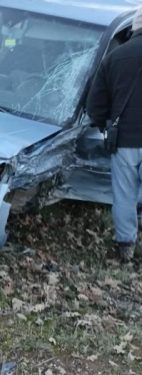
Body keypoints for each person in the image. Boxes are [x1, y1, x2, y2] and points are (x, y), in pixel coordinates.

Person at [86, 6, 142, 261]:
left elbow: (94, 105)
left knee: (124, 195)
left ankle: (126, 247)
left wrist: (103, 126)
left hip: (125, 142)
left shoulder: (116, 56)